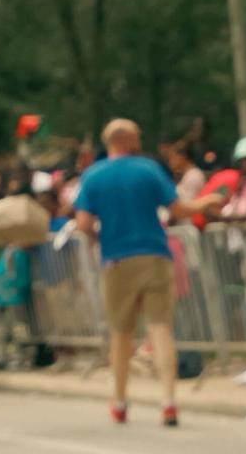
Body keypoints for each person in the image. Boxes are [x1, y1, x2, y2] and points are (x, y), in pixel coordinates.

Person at [73, 117, 190, 427]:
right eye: (137, 137)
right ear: (128, 140)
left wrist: (101, 239)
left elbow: (83, 225)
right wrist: (205, 203)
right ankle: (168, 401)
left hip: (116, 260)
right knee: (160, 328)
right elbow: (178, 210)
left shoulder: (92, 176)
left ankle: (121, 402)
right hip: (153, 255)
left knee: (120, 334)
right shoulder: (149, 170)